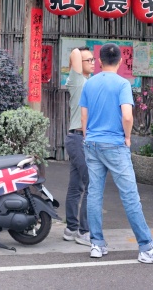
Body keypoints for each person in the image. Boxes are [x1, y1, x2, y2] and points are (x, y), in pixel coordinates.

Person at [81, 42, 153, 264]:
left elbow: (83, 117)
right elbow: (127, 116)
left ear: (100, 60)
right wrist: (127, 137)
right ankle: (146, 247)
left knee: (94, 193)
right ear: (121, 61)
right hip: (114, 144)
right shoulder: (123, 84)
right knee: (130, 196)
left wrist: (87, 137)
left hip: (92, 143)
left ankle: (96, 244)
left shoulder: (90, 84)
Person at [63, 47, 94, 246]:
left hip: (78, 139)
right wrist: (79, 52)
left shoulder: (89, 82)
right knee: (92, 185)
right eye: (88, 60)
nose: (93, 62)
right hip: (78, 138)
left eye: (93, 59)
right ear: (78, 64)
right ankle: (84, 232)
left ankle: (71, 229)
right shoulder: (76, 81)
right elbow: (74, 52)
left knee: (76, 187)